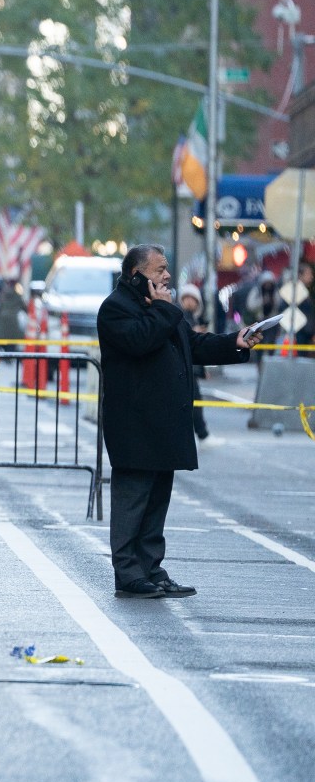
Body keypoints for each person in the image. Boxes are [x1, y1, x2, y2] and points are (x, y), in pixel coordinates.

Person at [98, 243, 254, 599]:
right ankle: (128, 573)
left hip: (164, 424)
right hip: (134, 426)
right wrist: (166, 310)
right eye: (159, 270)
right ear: (137, 277)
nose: (167, 276)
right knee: (133, 500)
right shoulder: (115, 309)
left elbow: (193, 345)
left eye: (166, 268)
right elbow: (141, 342)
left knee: (156, 501)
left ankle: (151, 568)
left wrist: (237, 343)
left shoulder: (162, 310)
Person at [177, 283, 211, 443]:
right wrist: (193, 332)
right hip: (182, 367)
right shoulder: (179, 316)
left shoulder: (195, 318)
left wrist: (203, 370)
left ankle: (201, 434)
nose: (190, 302)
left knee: (194, 401)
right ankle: (202, 434)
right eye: (187, 298)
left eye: (193, 299)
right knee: (192, 402)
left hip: (191, 368)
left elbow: (198, 349)